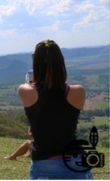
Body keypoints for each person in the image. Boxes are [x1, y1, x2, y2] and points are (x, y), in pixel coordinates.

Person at [17, 39, 93, 179]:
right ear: (61, 62)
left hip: (44, 164)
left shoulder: (25, 91)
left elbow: (39, 100)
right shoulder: (78, 91)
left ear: (36, 63)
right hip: (76, 162)